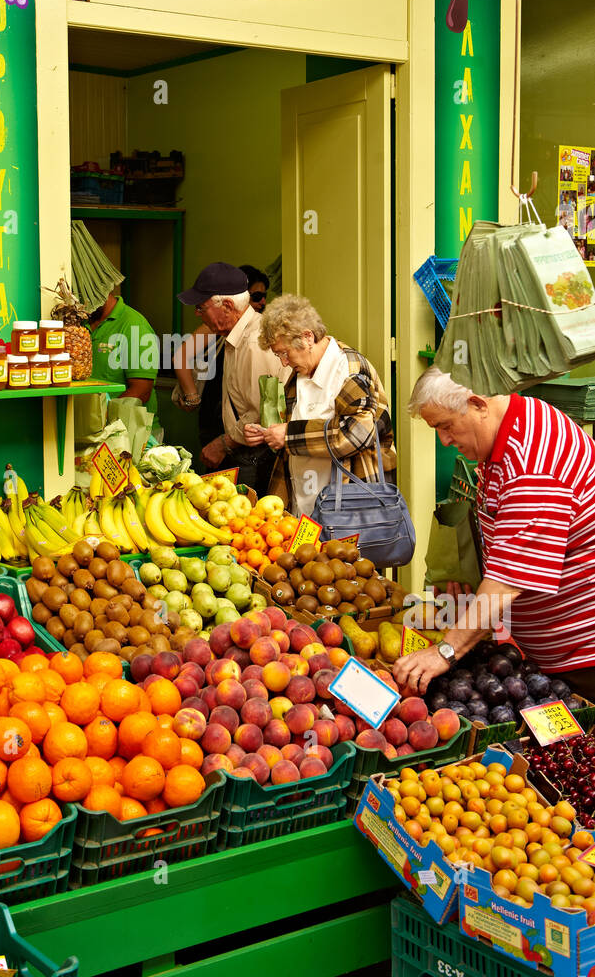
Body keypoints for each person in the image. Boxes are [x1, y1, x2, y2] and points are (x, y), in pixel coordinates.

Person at [394, 366, 595, 699]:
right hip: (546, 653)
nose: (444, 440)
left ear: (478, 405)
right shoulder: (506, 432)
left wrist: (446, 650)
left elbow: (509, 581)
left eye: (446, 426)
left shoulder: (533, 465)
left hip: (582, 656)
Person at [243, 295, 396, 517]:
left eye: (284, 353)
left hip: (349, 509)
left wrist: (288, 435)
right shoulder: (300, 374)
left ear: (307, 338)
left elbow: (357, 434)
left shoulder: (349, 369)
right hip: (304, 504)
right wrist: (268, 434)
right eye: (278, 355)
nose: (283, 363)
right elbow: (298, 430)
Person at [177, 262, 289, 492]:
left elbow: (262, 413)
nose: (198, 314)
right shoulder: (236, 335)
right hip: (242, 447)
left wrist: (222, 444)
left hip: (255, 454)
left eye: (201, 307)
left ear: (227, 305)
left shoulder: (254, 343)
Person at [86, 290, 159, 413]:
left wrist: (101, 416)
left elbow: (142, 390)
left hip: (128, 427)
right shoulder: (80, 322)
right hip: (87, 424)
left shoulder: (134, 325)